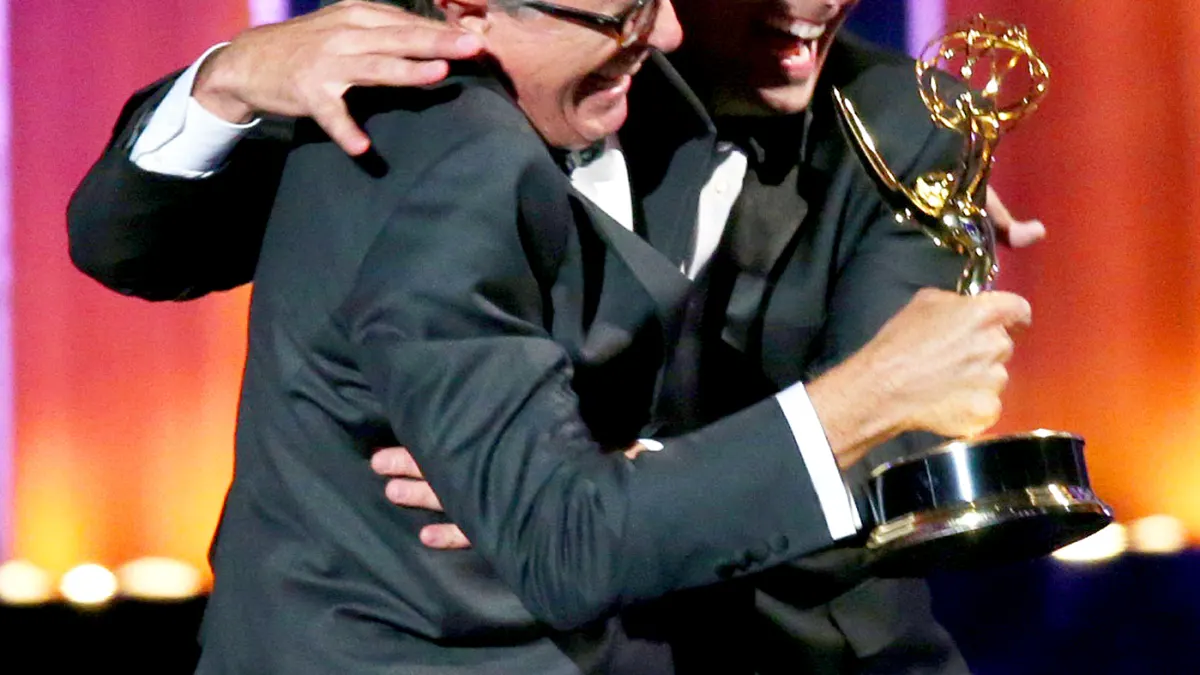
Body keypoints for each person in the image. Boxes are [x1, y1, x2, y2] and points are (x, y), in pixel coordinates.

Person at [67, 1, 1038, 673]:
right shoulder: (426, 102)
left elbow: (897, 450)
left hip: (794, 645)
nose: (807, 7)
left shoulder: (904, 122)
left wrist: (573, 483)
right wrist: (227, 83)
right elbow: (137, 252)